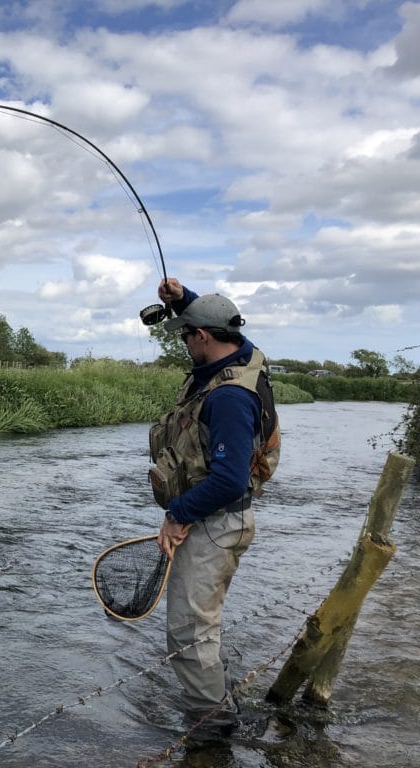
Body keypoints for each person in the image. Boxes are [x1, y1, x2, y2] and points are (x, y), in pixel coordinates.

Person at [148, 277, 279, 740]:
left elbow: (227, 479)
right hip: (221, 518)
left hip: (217, 523)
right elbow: (222, 326)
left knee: (188, 630)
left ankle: (213, 729)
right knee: (201, 623)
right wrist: (183, 299)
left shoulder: (228, 397)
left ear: (203, 337)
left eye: (187, 335)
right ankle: (218, 705)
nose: (185, 343)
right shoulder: (245, 356)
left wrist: (177, 513)